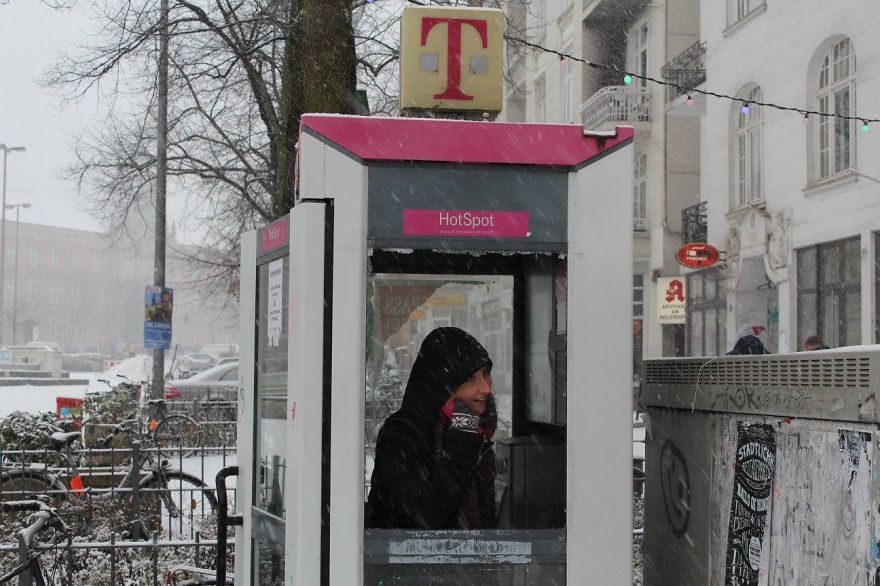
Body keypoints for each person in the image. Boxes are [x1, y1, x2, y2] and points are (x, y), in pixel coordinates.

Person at [366, 327, 497, 529]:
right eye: (471, 379)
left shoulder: (478, 430)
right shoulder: (402, 434)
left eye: (486, 374)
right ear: (444, 385)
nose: (487, 388)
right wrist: (462, 440)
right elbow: (423, 520)